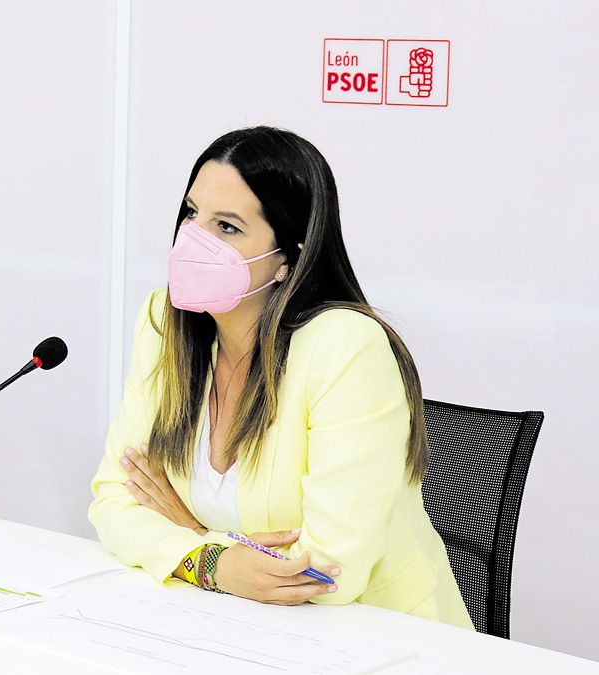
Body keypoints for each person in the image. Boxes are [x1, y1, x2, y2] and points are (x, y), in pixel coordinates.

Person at [89, 126, 471, 627]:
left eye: (227, 227)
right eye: (191, 213)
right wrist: (215, 560)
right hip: (237, 631)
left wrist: (195, 537)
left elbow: (328, 573)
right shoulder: (165, 323)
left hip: (382, 639)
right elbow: (114, 500)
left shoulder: (346, 347)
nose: (194, 239)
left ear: (286, 260)